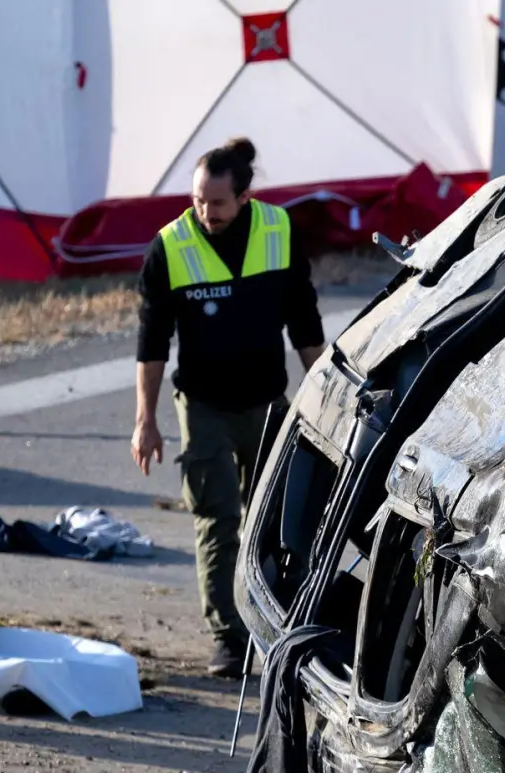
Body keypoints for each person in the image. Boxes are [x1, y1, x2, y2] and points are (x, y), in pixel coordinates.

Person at [132, 137, 326, 678]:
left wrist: (332, 397)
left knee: (273, 522)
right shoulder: (169, 247)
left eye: (215, 203)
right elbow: (151, 346)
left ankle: (272, 627)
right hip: (204, 407)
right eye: (197, 200)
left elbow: (305, 326)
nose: (204, 213)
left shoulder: (279, 232)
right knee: (216, 519)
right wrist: (146, 420)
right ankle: (228, 640)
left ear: (244, 197)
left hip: (267, 405)